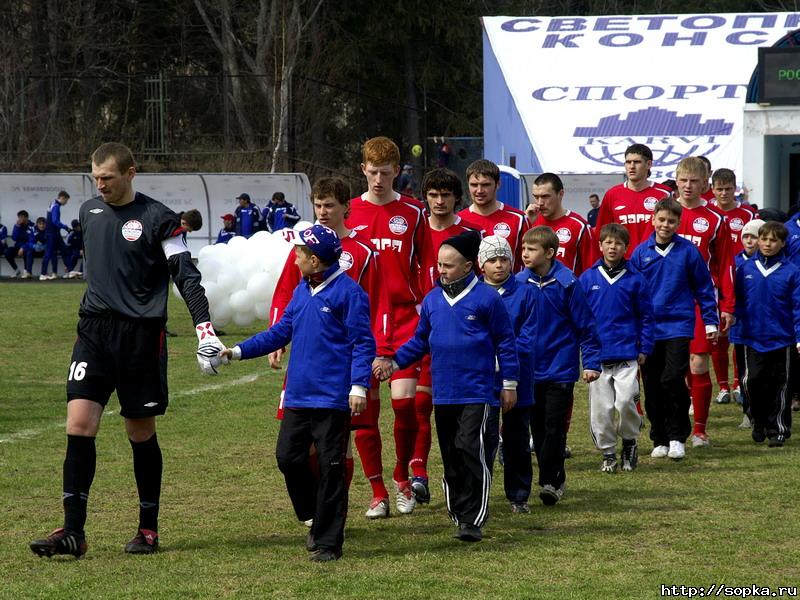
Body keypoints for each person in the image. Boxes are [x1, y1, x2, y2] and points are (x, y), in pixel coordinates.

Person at [30, 142, 225, 559]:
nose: (100, 186)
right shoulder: (89, 213)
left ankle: (147, 528)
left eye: (108, 178)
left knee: (140, 432)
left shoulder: (160, 219)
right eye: (96, 178)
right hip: (94, 332)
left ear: (130, 173)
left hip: (140, 337)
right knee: (79, 425)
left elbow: (186, 276)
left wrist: (204, 328)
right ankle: (73, 531)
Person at [221, 224, 375, 561]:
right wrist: (237, 351)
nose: (295, 259)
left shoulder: (349, 294)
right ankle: (314, 515)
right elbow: (279, 333)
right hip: (298, 397)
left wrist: (359, 385)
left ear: (316, 261)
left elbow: (363, 343)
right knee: (288, 458)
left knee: (332, 468)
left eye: (300, 254)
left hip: (333, 399)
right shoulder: (302, 291)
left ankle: (328, 542)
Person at [378, 230, 518, 542]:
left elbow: (506, 344)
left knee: (472, 449)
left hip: (478, 392)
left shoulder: (487, 299)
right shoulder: (431, 300)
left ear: (468, 267)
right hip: (444, 394)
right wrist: (394, 363)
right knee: (452, 454)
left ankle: (473, 519)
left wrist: (509, 383)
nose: (441, 270)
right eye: (439, 265)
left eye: (448, 266)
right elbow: (419, 342)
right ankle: (458, 512)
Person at [269, 177, 392, 514]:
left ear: (345, 208)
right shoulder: (304, 248)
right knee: (302, 444)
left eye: (330, 206)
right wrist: (276, 337)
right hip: (308, 362)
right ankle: (317, 508)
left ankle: (345, 504)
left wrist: (381, 349)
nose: (322, 212)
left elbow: (380, 302)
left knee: (346, 438)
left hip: (348, 358)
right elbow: (284, 293)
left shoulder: (364, 251)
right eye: (318, 206)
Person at [344, 136, 427, 518]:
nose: (378, 179)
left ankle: (401, 478)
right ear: (363, 169)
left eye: (386, 172)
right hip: (360, 326)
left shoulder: (413, 213)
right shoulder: (348, 214)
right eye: (372, 172)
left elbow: (425, 266)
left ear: (397, 171)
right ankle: (377, 491)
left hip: (405, 321)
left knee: (406, 406)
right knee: (363, 412)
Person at [630, 198, 719, 461]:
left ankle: (678, 436)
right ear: (653, 219)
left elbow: (704, 288)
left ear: (678, 223)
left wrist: (710, 320)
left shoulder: (688, 252)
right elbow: (632, 292)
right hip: (648, 328)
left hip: (679, 325)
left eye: (671, 221)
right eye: (662, 219)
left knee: (672, 378)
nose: (665, 225)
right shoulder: (640, 252)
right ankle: (659, 438)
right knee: (653, 383)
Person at [517, 226, 600, 504]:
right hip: (528, 369)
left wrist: (590, 362)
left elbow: (586, 326)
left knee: (554, 427)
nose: (524, 253)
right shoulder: (518, 283)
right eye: (523, 248)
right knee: (537, 429)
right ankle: (556, 476)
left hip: (560, 368)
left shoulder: (568, 283)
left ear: (550, 253)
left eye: (531, 249)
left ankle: (550, 482)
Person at [413, 167, 481, 503]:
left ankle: (451, 473)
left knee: (438, 403)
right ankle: (418, 472)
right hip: (417, 323)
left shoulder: (470, 234)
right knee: (416, 403)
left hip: (456, 329)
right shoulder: (415, 229)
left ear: (457, 198)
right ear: (425, 198)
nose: (439, 201)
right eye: (433, 195)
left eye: (446, 195)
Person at [579, 224, 654, 473]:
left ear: (626, 247)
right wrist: (586, 354)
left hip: (627, 355)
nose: (613, 247)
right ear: (600, 246)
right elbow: (580, 318)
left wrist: (644, 346)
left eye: (619, 243)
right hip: (599, 358)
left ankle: (630, 442)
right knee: (602, 410)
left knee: (625, 403)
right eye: (608, 242)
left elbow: (646, 316)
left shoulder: (635, 279)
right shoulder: (588, 278)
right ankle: (608, 452)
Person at [674, 157, 735, 448]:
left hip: (701, 302)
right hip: (668, 302)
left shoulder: (714, 220)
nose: (688, 186)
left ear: (704, 184)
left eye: (694, 181)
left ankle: (700, 430)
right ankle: (675, 428)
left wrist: (727, 305)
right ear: (676, 180)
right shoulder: (664, 215)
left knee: (698, 363)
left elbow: (725, 266)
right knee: (675, 365)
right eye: (683, 180)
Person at [478, 235, 536, 512]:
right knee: (484, 440)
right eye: (492, 260)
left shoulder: (525, 292)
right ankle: (481, 494)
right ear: (481, 265)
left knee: (517, 439)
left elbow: (529, 336)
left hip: (518, 376)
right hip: (484, 379)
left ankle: (519, 495)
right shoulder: (475, 293)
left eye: (504, 259)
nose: (499, 265)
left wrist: (505, 359)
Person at [735, 221, 800, 447]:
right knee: (751, 381)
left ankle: (778, 429)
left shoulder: (791, 271)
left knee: (781, 385)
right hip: (751, 337)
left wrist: (799, 335)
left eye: (773, 240)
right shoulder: (743, 269)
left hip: (783, 338)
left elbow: (797, 306)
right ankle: (758, 420)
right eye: (764, 239)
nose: (767, 244)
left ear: (782, 243)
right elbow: (735, 301)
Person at [709, 168, 757, 406]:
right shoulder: (707, 213)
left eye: (728, 189)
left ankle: (739, 382)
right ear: (713, 189)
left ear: (735, 189)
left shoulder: (748, 214)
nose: (724, 193)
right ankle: (723, 386)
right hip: (718, 282)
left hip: (745, 282)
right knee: (720, 334)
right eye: (719, 189)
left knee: (739, 334)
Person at [595, 144, 672, 258]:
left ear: (649, 164)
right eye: (628, 162)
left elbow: (673, 229)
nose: (631, 166)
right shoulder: (612, 194)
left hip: (656, 261)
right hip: (623, 264)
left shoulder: (664, 193)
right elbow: (601, 234)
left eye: (637, 162)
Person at [458, 159, 529, 272]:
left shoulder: (518, 219)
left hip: (511, 289)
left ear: (498, 184)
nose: (479, 190)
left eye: (485, 185)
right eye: (474, 185)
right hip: (472, 289)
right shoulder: (459, 220)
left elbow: (530, 261)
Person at [730, 218, 765, 429]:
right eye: (746, 236)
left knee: (765, 373)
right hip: (743, 327)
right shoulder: (735, 263)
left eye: (755, 236)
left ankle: (767, 411)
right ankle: (748, 412)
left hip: (768, 327)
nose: (750, 241)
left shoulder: (772, 262)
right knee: (746, 374)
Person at [41, 191, 71, 280]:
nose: (66, 203)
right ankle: (43, 274)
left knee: (64, 251)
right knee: (48, 253)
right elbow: (55, 221)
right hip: (52, 234)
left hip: (55, 233)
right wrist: (66, 227)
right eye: (66, 200)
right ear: (63, 198)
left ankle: (68, 271)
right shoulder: (56, 206)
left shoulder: (53, 204)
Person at [4, 210, 34, 277]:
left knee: (28, 252)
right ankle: (16, 270)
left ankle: (26, 271)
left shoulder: (32, 226)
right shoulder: (17, 226)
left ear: (26, 217)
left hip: (28, 247)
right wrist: (17, 226)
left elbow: (31, 240)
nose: (20, 219)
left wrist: (23, 247)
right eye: (19, 217)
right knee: (7, 252)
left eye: (22, 217)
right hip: (18, 246)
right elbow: (14, 238)